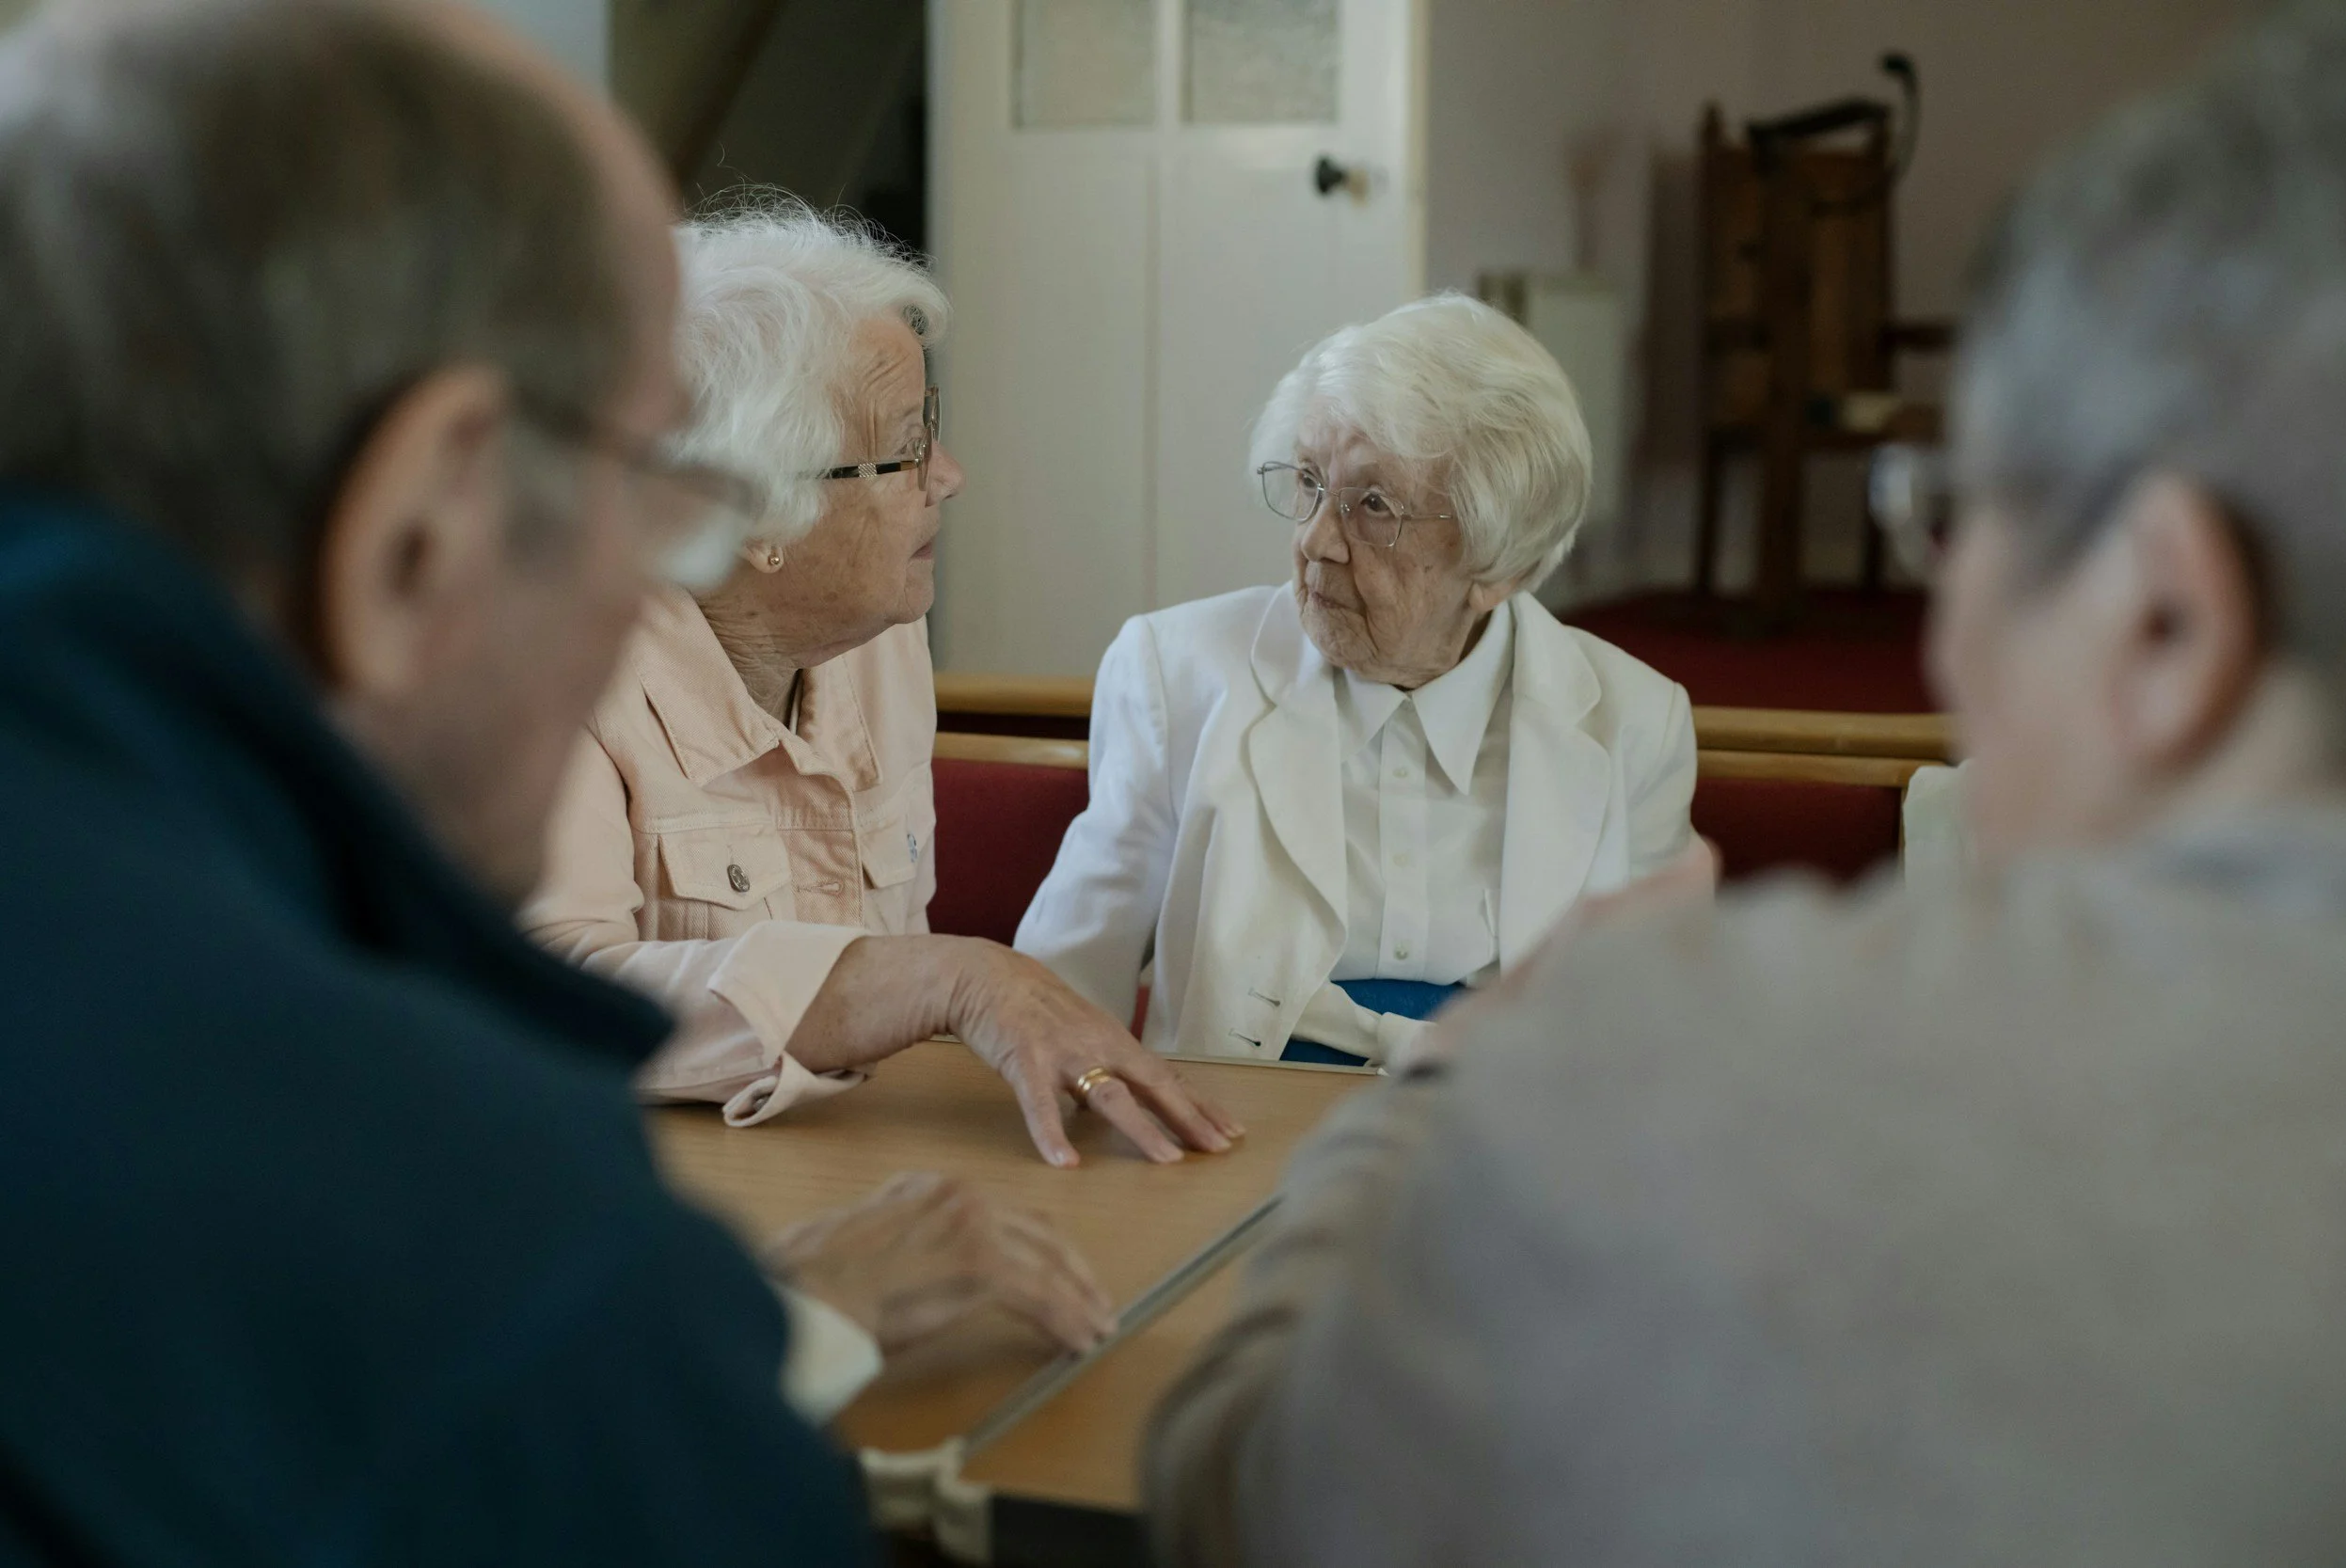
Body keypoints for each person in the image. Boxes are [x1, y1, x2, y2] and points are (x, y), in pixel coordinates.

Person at [1146, 7, 2346, 1563]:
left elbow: (1250, 1492)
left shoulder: (1696, 1088)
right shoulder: (1187, 670)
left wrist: (1461, 1089)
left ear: (2168, 616)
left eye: (1945, 518)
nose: (1947, 642)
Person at [0, 2, 1090, 1560]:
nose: (652, 581)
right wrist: (711, 1338)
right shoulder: (489, 1256)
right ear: (418, 528)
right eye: (641, 484)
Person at [524, 205, 1243, 1167]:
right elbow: (549, 998)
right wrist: (939, 976)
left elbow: (874, 1051)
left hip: (842, 1160)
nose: (948, 475)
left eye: (930, 427)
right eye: (905, 447)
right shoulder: (546, 672)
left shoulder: (875, 646)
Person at [1016, 294, 1706, 1065]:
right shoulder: (1174, 674)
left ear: (1499, 563)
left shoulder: (1634, 722)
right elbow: (1064, 981)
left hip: (1511, 1145)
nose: (1315, 539)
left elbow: (1653, 1031)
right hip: (1230, 1136)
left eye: (1373, 505)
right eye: (1310, 481)